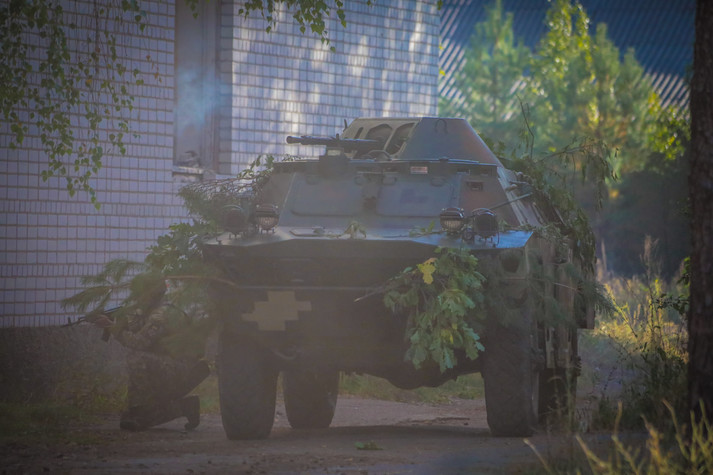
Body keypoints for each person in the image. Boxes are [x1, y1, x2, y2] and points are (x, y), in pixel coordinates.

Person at [94, 277, 210, 431]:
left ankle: (139, 408)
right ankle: (185, 406)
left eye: (140, 294)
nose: (137, 298)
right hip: (169, 365)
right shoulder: (151, 310)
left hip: (182, 369)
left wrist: (112, 327)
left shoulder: (161, 314)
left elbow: (139, 343)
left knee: (136, 358)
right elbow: (138, 332)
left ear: (152, 294)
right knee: (131, 419)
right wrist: (120, 322)